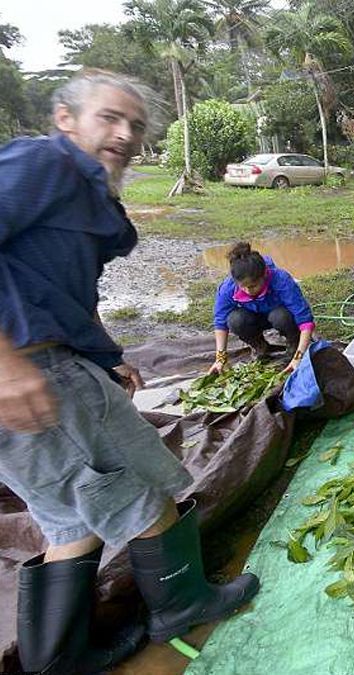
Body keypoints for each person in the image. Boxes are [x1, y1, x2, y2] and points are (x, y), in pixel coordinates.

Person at [0, 69, 259, 674]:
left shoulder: (89, 193)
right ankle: (182, 605)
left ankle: (59, 659)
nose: (125, 134)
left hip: (60, 363)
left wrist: (106, 353)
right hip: (32, 372)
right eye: (109, 118)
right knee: (133, 486)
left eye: (136, 125)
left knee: (69, 517)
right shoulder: (44, 164)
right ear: (65, 119)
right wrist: (7, 366)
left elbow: (65, 285)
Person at [208, 242, 315, 376]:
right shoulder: (228, 288)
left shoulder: (281, 280)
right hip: (252, 319)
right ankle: (260, 347)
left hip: (280, 316)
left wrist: (299, 356)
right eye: (243, 287)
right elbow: (220, 323)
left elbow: (305, 320)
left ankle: (293, 344)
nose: (248, 291)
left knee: (281, 316)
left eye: (253, 286)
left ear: (264, 275)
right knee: (235, 320)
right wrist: (220, 359)